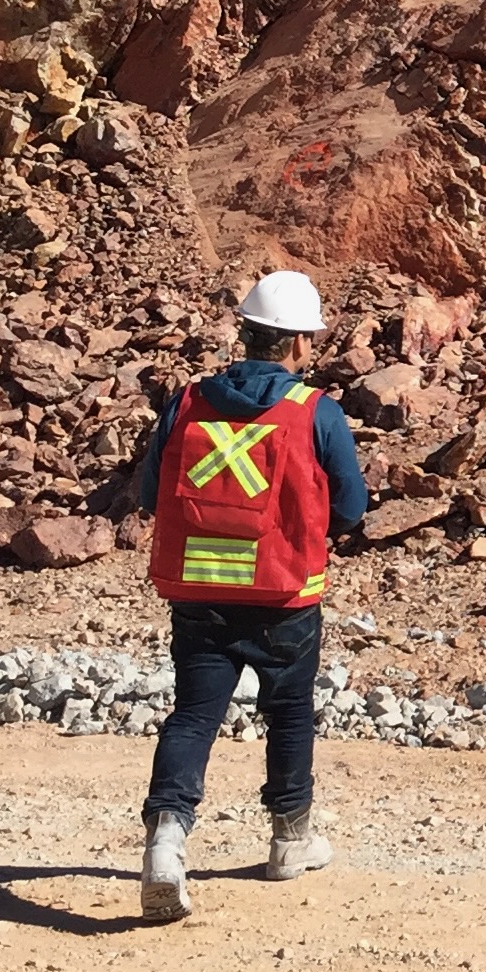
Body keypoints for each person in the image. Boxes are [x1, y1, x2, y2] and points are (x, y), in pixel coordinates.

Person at [133, 269, 367, 923]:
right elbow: (351, 505)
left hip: (200, 594)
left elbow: (152, 496)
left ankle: (166, 841)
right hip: (284, 596)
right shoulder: (314, 411)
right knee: (289, 713)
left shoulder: (186, 404)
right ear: (295, 343)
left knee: (193, 715)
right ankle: (290, 840)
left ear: (246, 334)